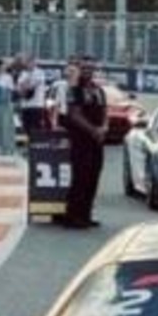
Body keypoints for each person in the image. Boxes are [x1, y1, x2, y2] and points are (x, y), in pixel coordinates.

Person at [58, 58, 107, 229]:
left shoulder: (98, 90)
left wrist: (104, 128)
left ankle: (86, 214)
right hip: (80, 139)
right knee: (80, 177)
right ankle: (73, 216)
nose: (88, 71)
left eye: (91, 68)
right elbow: (74, 115)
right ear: (79, 70)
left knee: (93, 177)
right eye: (84, 68)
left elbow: (104, 111)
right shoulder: (74, 90)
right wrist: (93, 130)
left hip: (97, 141)